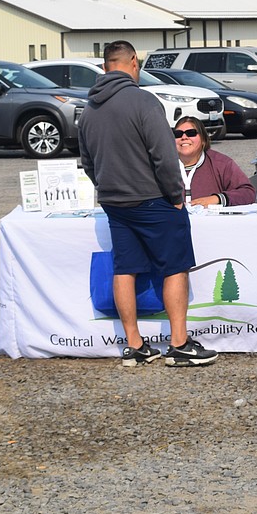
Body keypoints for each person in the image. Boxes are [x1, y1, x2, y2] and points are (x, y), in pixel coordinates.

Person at [78, 40, 218, 369]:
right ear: (134, 63)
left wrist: (106, 187)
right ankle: (179, 344)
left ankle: (135, 345)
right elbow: (164, 156)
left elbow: (87, 163)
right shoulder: (144, 101)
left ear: (104, 67)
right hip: (152, 199)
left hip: (114, 202)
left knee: (125, 268)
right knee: (174, 266)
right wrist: (175, 195)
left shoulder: (89, 111)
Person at [173, 116, 256, 208]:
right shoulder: (163, 166)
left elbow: (248, 193)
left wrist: (218, 199)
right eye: (178, 134)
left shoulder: (222, 163)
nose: (184, 137)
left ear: (203, 139)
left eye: (191, 133)